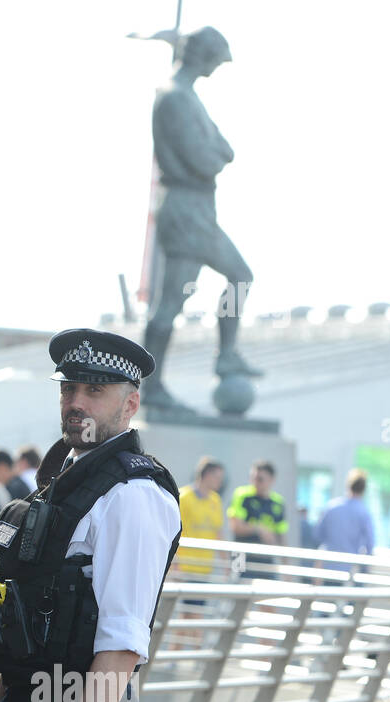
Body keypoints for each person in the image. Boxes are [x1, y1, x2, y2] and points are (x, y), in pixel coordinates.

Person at [0, 329, 181, 702]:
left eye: (94, 390)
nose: (76, 403)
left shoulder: (134, 495)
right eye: (69, 389)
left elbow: (123, 644)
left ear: (129, 403)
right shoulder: (65, 480)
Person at [142, 26, 261, 415]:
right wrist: (216, 154)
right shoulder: (176, 97)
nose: (216, 67)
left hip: (195, 207)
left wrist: (217, 152)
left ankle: (223, 356)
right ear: (202, 56)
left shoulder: (186, 96)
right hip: (187, 207)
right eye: (215, 60)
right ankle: (152, 384)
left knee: (235, 277)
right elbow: (208, 158)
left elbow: (224, 149)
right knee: (172, 303)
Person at [227, 460, 287, 580]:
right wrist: (259, 530)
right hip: (240, 555)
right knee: (238, 592)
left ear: (272, 480)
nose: (255, 482)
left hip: (265, 558)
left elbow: (281, 536)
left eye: (260, 479)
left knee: (267, 595)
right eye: (252, 478)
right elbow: (235, 527)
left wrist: (286, 566)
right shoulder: (242, 495)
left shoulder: (278, 502)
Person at [316, 469, 375, 577]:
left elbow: (319, 534)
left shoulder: (331, 506)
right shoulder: (364, 512)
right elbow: (370, 544)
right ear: (364, 489)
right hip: (349, 568)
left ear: (348, 485)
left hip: (327, 565)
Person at [177, 456, 225, 578]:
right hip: (183, 569)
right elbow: (172, 533)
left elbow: (218, 533)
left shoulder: (216, 500)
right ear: (207, 475)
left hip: (205, 569)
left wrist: (227, 565)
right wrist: (174, 566)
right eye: (217, 477)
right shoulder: (183, 497)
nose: (220, 481)